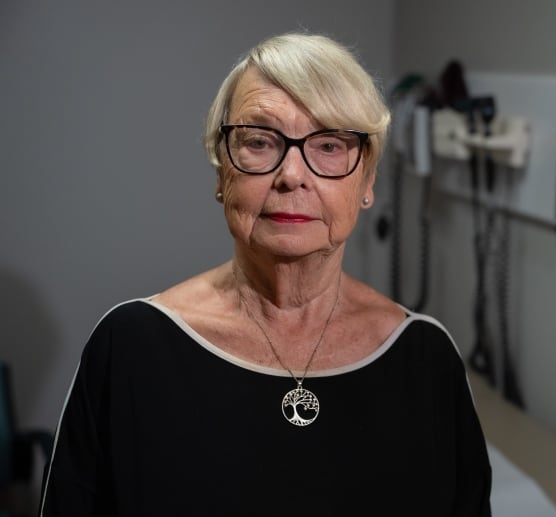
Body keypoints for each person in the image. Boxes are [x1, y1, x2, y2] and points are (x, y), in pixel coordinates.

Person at [38, 32, 492, 516]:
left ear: (367, 179)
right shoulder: (128, 348)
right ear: (221, 172)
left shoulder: (425, 360)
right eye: (259, 141)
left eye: (330, 144)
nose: (292, 174)